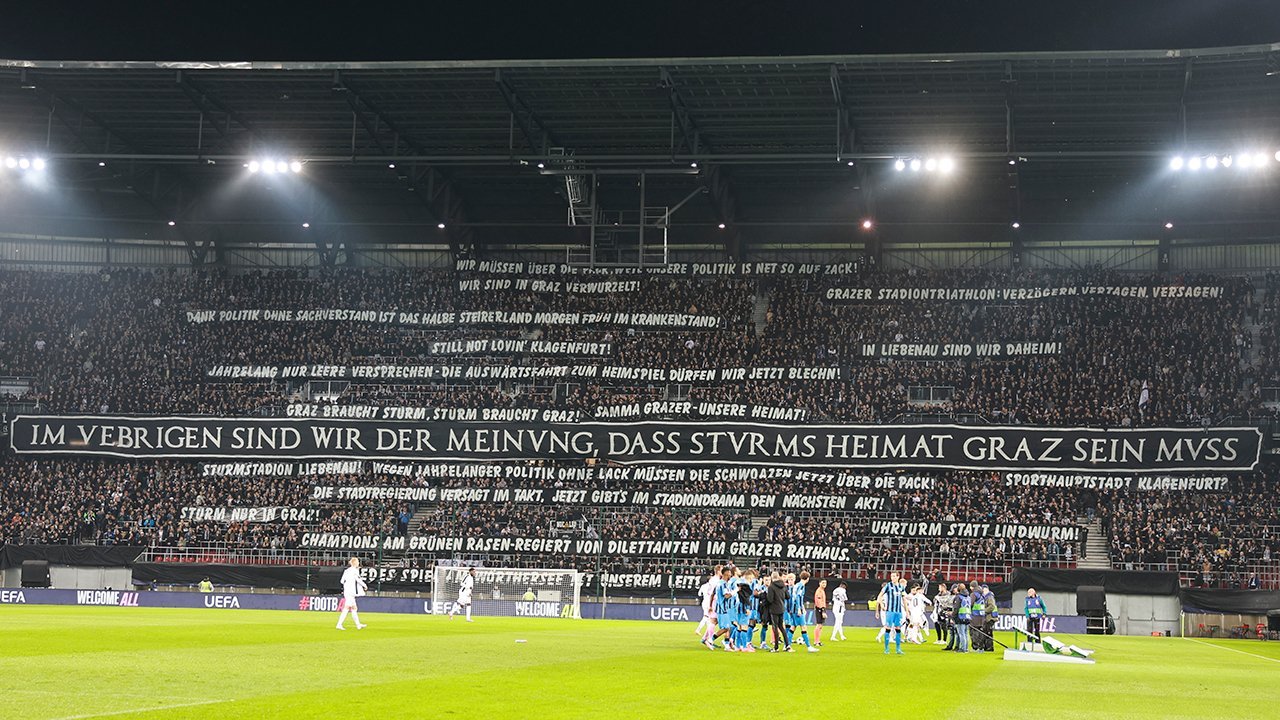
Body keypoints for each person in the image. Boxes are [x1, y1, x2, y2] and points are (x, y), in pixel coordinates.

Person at [787, 571, 819, 652]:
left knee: (793, 627)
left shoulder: (797, 585)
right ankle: (809, 647)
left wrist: (802, 607)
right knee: (803, 627)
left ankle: (787, 645)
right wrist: (799, 608)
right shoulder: (801, 586)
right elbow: (797, 597)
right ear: (807, 578)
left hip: (793, 609)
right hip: (797, 610)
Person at [877, 571, 906, 655]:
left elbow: (904, 599)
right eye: (891, 576)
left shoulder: (901, 587)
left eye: (894, 576)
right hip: (890, 611)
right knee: (888, 629)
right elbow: (879, 596)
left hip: (899, 612)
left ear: (898, 577)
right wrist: (882, 604)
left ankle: (898, 649)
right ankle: (886, 649)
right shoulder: (888, 586)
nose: (892, 578)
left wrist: (907, 612)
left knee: (898, 629)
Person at [336, 557, 367, 630]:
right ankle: (339, 624)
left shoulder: (346, 571)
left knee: (354, 608)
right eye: (358, 562)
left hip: (347, 591)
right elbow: (358, 580)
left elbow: (342, 581)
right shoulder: (355, 571)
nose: (358, 563)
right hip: (351, 591)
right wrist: (364, 585)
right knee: (347, 608)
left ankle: (358, 625)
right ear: (355, 563)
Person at [765, 571, 792, 652]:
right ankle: (787, 645)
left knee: (775, 627)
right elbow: (788, 596)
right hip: (781, 608)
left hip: (774, 609)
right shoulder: (783, 585)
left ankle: (776, 647)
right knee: (781, 627)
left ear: (772, 577)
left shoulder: (771, 587)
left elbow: (770, 599)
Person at [953, 584, 971, 653]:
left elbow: (956, 608)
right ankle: (965, 648)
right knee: (966, 633)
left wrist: (953, 615)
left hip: (960, 616)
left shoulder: (959, 597)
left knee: (961, 633)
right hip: (967, 616)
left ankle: (963, 648)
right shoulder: (968, 597)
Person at [813, 579, 828, 646]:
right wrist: (822, 611)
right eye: (823, 583)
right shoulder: (819, 591)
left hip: (821, 608)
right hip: (819, 609)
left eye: (825, 583)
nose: (824, 584)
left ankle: (818, 641)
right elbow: (819, 601)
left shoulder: (822, 591)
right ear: (819, 583)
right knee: (819, 625)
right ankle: (816, 641)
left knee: (820, 625)